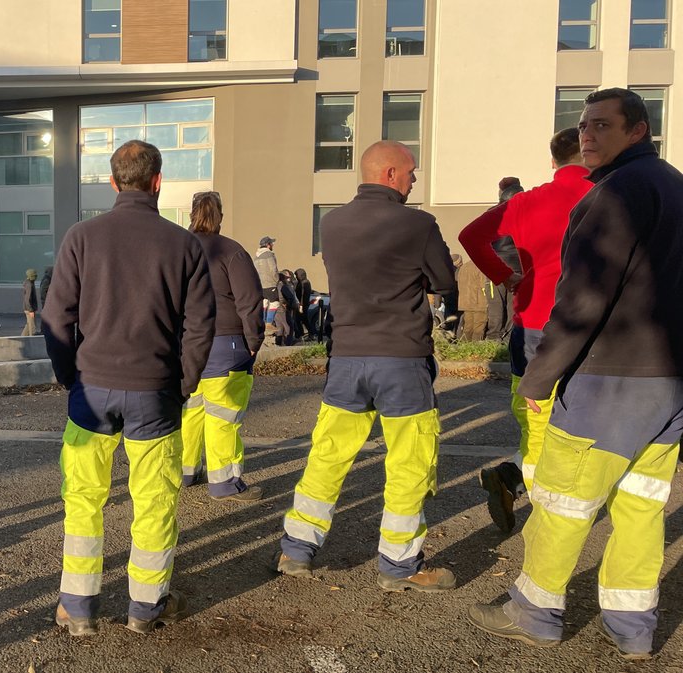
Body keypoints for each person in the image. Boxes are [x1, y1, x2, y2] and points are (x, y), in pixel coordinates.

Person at [467, 88, 683, 661]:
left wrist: (540, 378)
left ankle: (534, 610)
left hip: (607, 380)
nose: (587, 134)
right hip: (667, 385)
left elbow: (584, 299)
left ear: (638, 130)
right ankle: (633, 626)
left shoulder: (613, 195)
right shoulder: (676, 187)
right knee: (641, 505)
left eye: (602, 125)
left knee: (564, 502)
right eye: (584, 126)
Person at [42, 140, 215, 637]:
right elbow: (201, 326)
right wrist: (181, 383)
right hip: (155, 391)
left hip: (91, 390)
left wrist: (69, 376)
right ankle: (146, 606)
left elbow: (57, 317)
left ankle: (78, 607)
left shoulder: (82, 236)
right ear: (157, 182)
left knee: (83, 497)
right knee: (155, 500)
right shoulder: (184, 245)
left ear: (113, 182)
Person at [274, 141, 458, 593]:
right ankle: (399, 566)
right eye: (412, 172)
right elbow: (444, 281)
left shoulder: (332, 223)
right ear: (391, 173)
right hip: (401, 359)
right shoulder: (418, 224)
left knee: (328, 454)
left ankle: (296, 549)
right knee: (409, 462)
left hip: (347, 358)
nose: (415, 179)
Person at [458, 129, 591, 534]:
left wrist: (507, 275)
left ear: (552, 162)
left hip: (531, 321)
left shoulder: (526, 202)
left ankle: (517, 477)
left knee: (534, 417)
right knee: (581, 424)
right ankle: (541, 498)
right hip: (588, 326)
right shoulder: (604, 196)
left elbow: (470, 236)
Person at [180, 191, 264, 502]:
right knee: (222, 415)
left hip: (185, 344)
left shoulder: (178, 249)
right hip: (225, 344)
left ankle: (186, 472)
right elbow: (249, 301)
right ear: (220, 216)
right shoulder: (232, 252)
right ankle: (225, 483)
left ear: (191, 214)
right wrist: (253, 340)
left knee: (189, 411)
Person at [255, 237, 280, 328]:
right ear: (268, 245)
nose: (273, 245)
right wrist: (276, 280)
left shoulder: (256, 256)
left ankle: (263, 322)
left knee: (264, 303)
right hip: (270, 283)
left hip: (261, 285)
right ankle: (269, 323)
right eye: (271, 243)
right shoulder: (269, 255)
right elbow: (273, 269)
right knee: (275, 303)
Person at [21, 268, 39, 336]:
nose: (36, 276)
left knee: (29, 324)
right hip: (29, 309)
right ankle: (32, 339)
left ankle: (22, 337)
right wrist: (31, 310)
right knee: (32, 326)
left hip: (28, 308)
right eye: (35, 275)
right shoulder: (29, 284)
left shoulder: (29, 283)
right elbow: (27, 299)